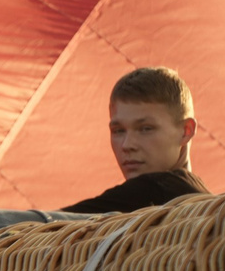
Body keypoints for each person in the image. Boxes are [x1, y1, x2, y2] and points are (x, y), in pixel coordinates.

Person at [65, 66, 211, 213]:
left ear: (186, 131)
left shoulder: (155, 190)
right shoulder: (207, 203)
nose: (127, 145)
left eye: (146, 129)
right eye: (118, 131)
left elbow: (52, 223)